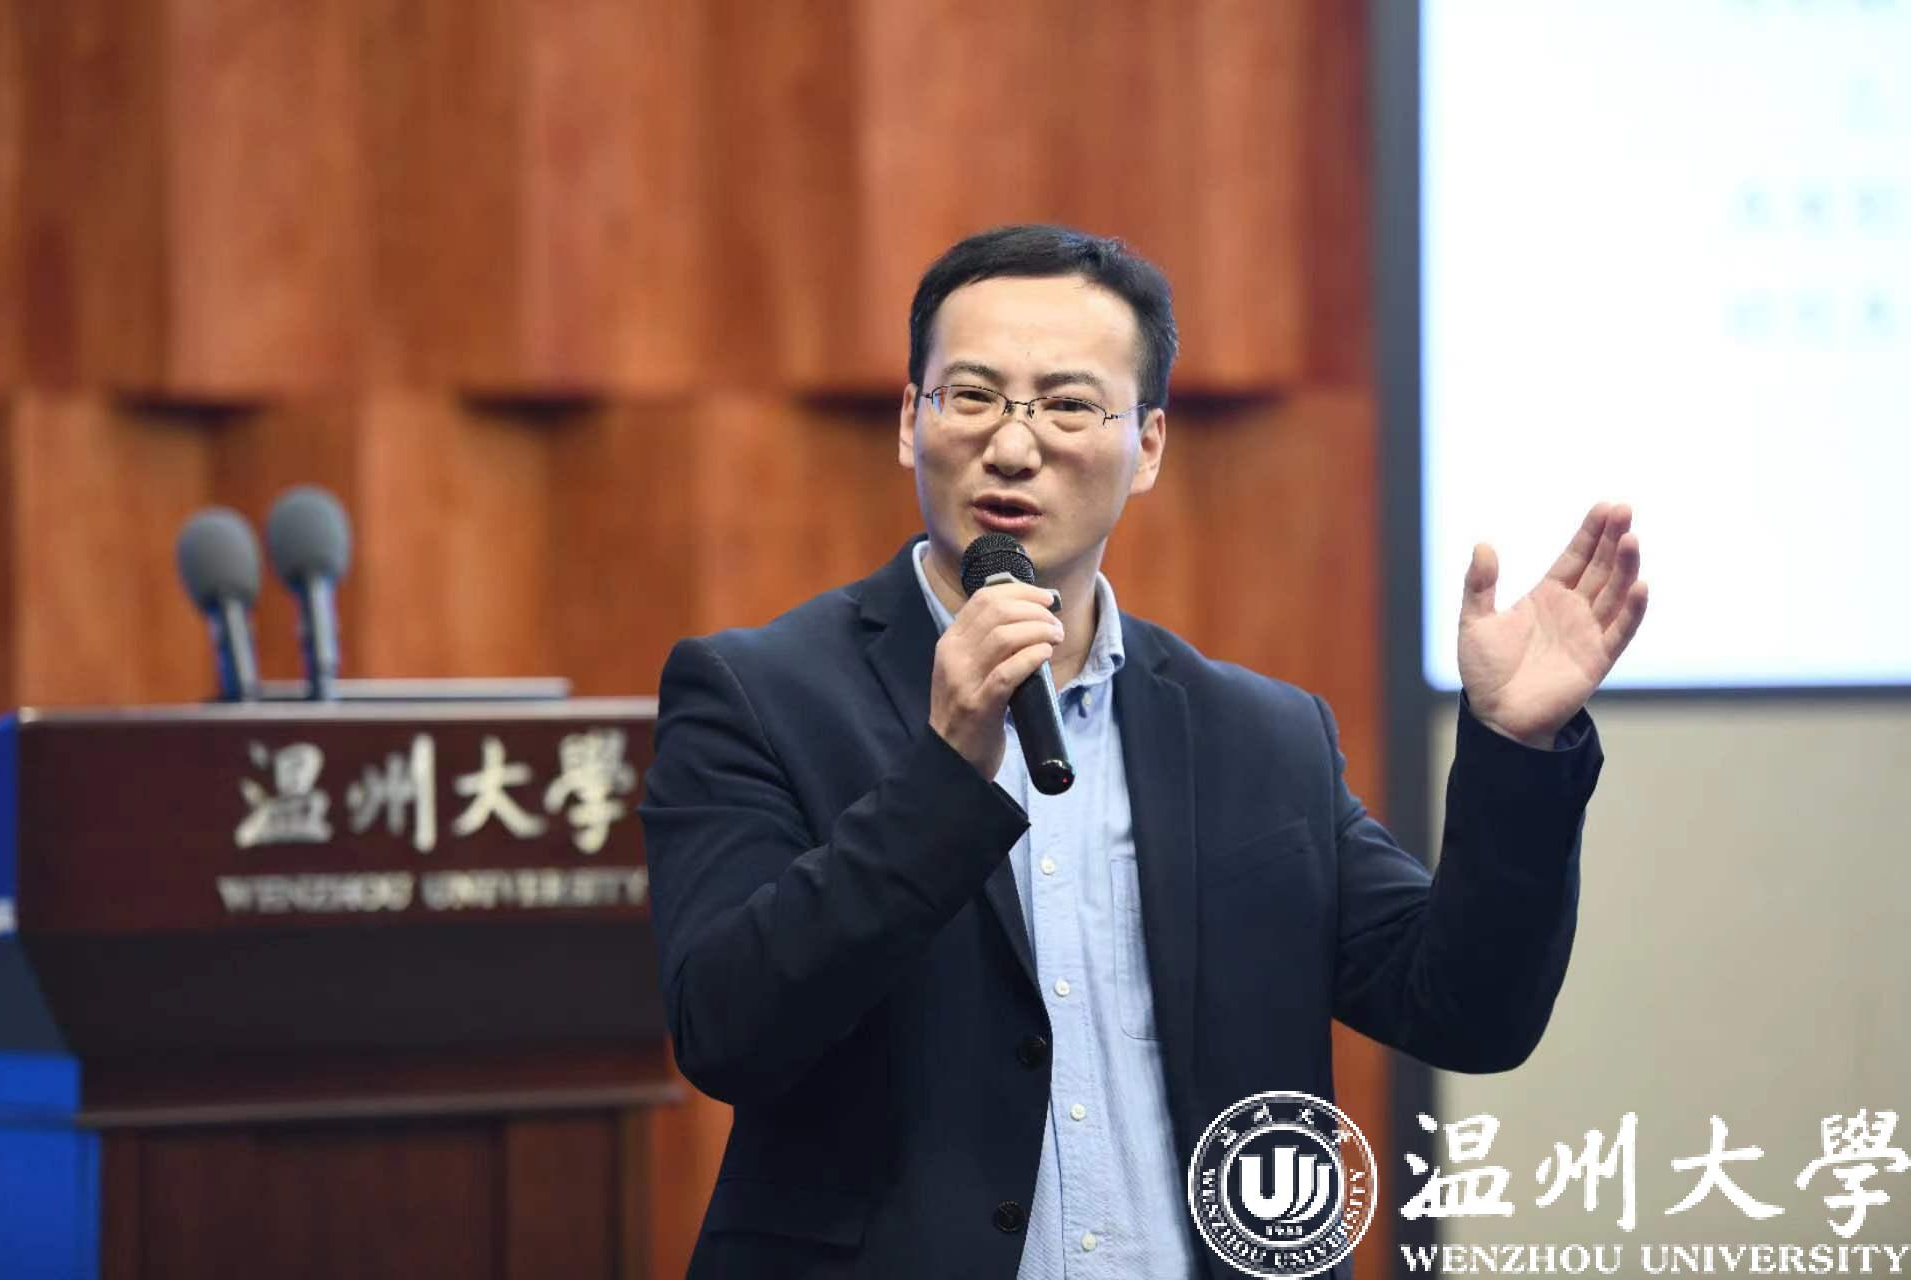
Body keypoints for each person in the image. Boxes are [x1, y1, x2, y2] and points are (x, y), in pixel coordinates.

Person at [638, 224, 1648, 1280]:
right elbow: (728, 1030)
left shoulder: (1259, 737)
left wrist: (1516, 749)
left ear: (1150, 446)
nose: (1013, 446)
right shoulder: (758, 693)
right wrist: (944, 772)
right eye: (972, 396)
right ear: (909, 420)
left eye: (1069, 405)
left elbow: (1469, 1011)